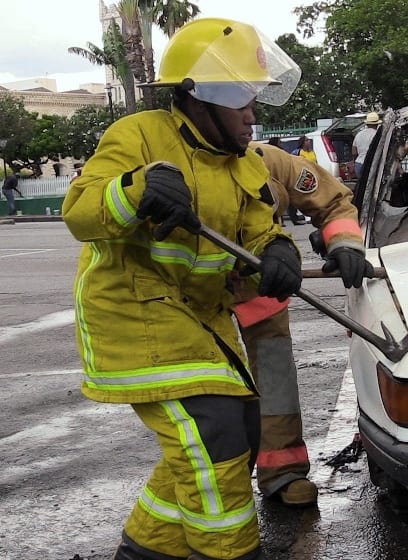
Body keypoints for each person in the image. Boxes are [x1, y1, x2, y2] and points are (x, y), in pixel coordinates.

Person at [62, 18, 304, 560]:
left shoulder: (243, 161)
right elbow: (80, 210)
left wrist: (279, 250)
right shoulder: (138, 136)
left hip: (200, 318)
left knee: (238, 430)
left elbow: (260, 225)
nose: (252, 113)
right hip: (132, 311)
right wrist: (138, 187)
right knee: (214, 430)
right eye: (243, 98)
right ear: (203, 96)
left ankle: (146, 550)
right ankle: (231, 552)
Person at [237, 141, 373, 506]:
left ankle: (283, 471)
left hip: (261, 284)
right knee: (206, 395)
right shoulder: (166, 157)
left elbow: (332, 202)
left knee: (274, 377)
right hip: (190, 299)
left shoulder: (266, 160)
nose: (249, 117)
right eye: (237, 105)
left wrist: (344, 244)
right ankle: (218, 484)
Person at [352, 111, 381, 178]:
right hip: (372, 164)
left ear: (367, 123)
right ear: (377, 124)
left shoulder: (358, 134)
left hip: (359, 164)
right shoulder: (378, 135)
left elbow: (354, 152)